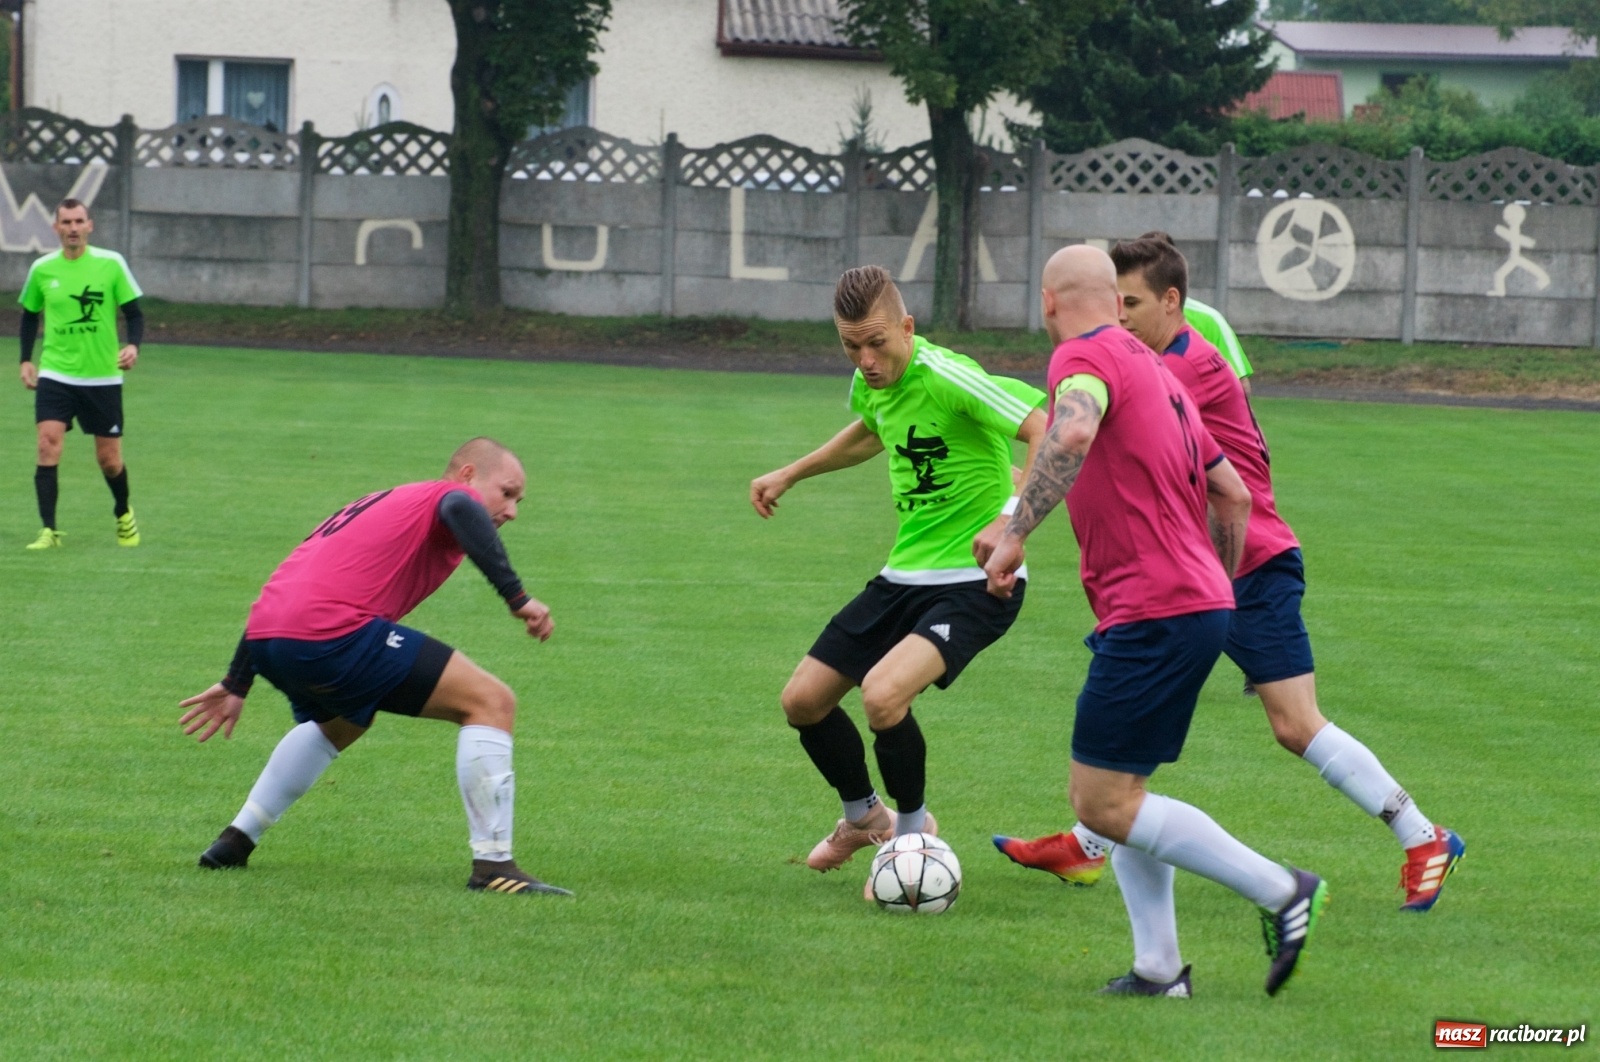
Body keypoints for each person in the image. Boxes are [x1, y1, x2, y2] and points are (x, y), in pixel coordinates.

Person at [994, 234, 1464, 913]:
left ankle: (1423, 837)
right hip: (1206, 560)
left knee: (1295, 724)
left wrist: (1013, 517)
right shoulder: (1155, 359)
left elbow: (1088, 433)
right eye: (1113, 302)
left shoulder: (1171, 367)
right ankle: (1094, 843)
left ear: (1172, 302)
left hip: (1246, 558)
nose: (1120, 318)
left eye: (1132, 303)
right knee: (1129, 719)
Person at [979, 245, 1325, 998]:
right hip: (1194, 601)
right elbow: (1231, 493)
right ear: (1114, 296)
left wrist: (1012, 535)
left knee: (1101, 802)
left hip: (1154, 607)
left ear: (1047, 302)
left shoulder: (1083, 359)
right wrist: (1219, 588)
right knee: (1125, 793)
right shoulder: (1158, 376)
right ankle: (1159, 970)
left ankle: (1282, 890)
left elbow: (1069, 434)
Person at [750, 265, 1045, 883]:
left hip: (977, 580)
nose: (864, 359)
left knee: (883, 695)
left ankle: (913, 838)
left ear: (907, 327)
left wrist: (1012, 521)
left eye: (876, 342)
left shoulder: (948, 376)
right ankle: (864, 818)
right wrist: (791, 472)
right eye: (850, 345)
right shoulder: (873, 382)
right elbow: (872, 432)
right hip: (903, 576)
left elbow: (1045, 428)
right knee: (802, 701)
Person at [178, 438, 570, 896]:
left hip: (270, 633)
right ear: (466, 475)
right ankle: (493, 865)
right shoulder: (450, 498)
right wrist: (518, 599)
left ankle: (235, 841)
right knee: (491, 701)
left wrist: (237, 680)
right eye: (506, 492)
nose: (512, 510)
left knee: (344, 721)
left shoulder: (384, 502)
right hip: (330, 632)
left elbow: (289, 582)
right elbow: (461, 511)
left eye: (519, 500)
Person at [18, 198, 145, 550]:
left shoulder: (111, 264)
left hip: (102, 376)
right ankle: (49, 530)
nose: (72, 228)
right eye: (66, 222)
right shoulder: (42, 269)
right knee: (47, 445)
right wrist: (26, 360)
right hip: (56, 373)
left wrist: (133, 346)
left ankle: (123, 513)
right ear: (56, 228)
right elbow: (30, 315)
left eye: (78, 221)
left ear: (90, 225)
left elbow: (134, 313)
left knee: (109, 460)